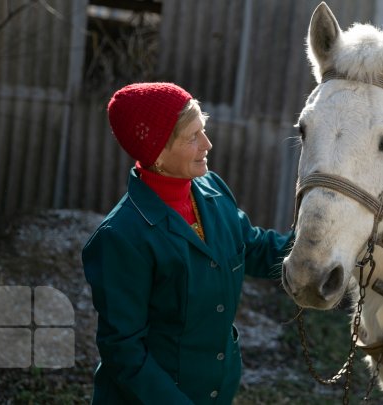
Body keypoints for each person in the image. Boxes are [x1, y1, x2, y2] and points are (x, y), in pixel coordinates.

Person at [82, 82, 294, 404]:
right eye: (192, 137)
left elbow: (253, 247)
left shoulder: (213, 191)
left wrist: (317, 245)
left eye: (203, 130)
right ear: (157, 153)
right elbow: (124, 353)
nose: (207, 144)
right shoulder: (121, 237)